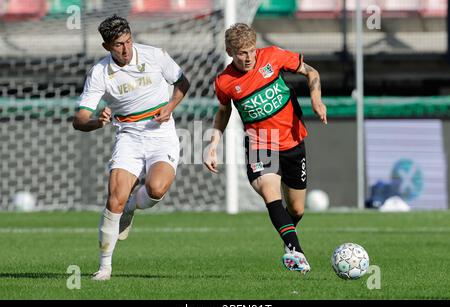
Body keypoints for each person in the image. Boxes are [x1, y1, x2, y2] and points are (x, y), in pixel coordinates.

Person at [73, 15, 190, 281]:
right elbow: (78, 120)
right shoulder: (99, 73)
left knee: (156, 189)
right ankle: (104, 268)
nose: (125, 49)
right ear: (106, 47)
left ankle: (131, 208)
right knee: (114, 199)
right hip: (128, 136)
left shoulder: (155, 56)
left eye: (128, 41)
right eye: (118, 45)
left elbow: (182, 83)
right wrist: (95, 122)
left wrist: (170, 107)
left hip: (161, 135)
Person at [204, 23, 327, 275]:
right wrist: (213, 144)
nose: (248, 57)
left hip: (293, 141)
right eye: (241, 52)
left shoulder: (272, 56)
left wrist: (316, 100)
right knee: (271, 192)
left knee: (296, 209)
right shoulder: (225, 82)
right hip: (261, 143)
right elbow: (224, 111)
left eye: (251, 50)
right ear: (230, 51)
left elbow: (311, 72)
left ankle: (288, 239)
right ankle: (296, 253)